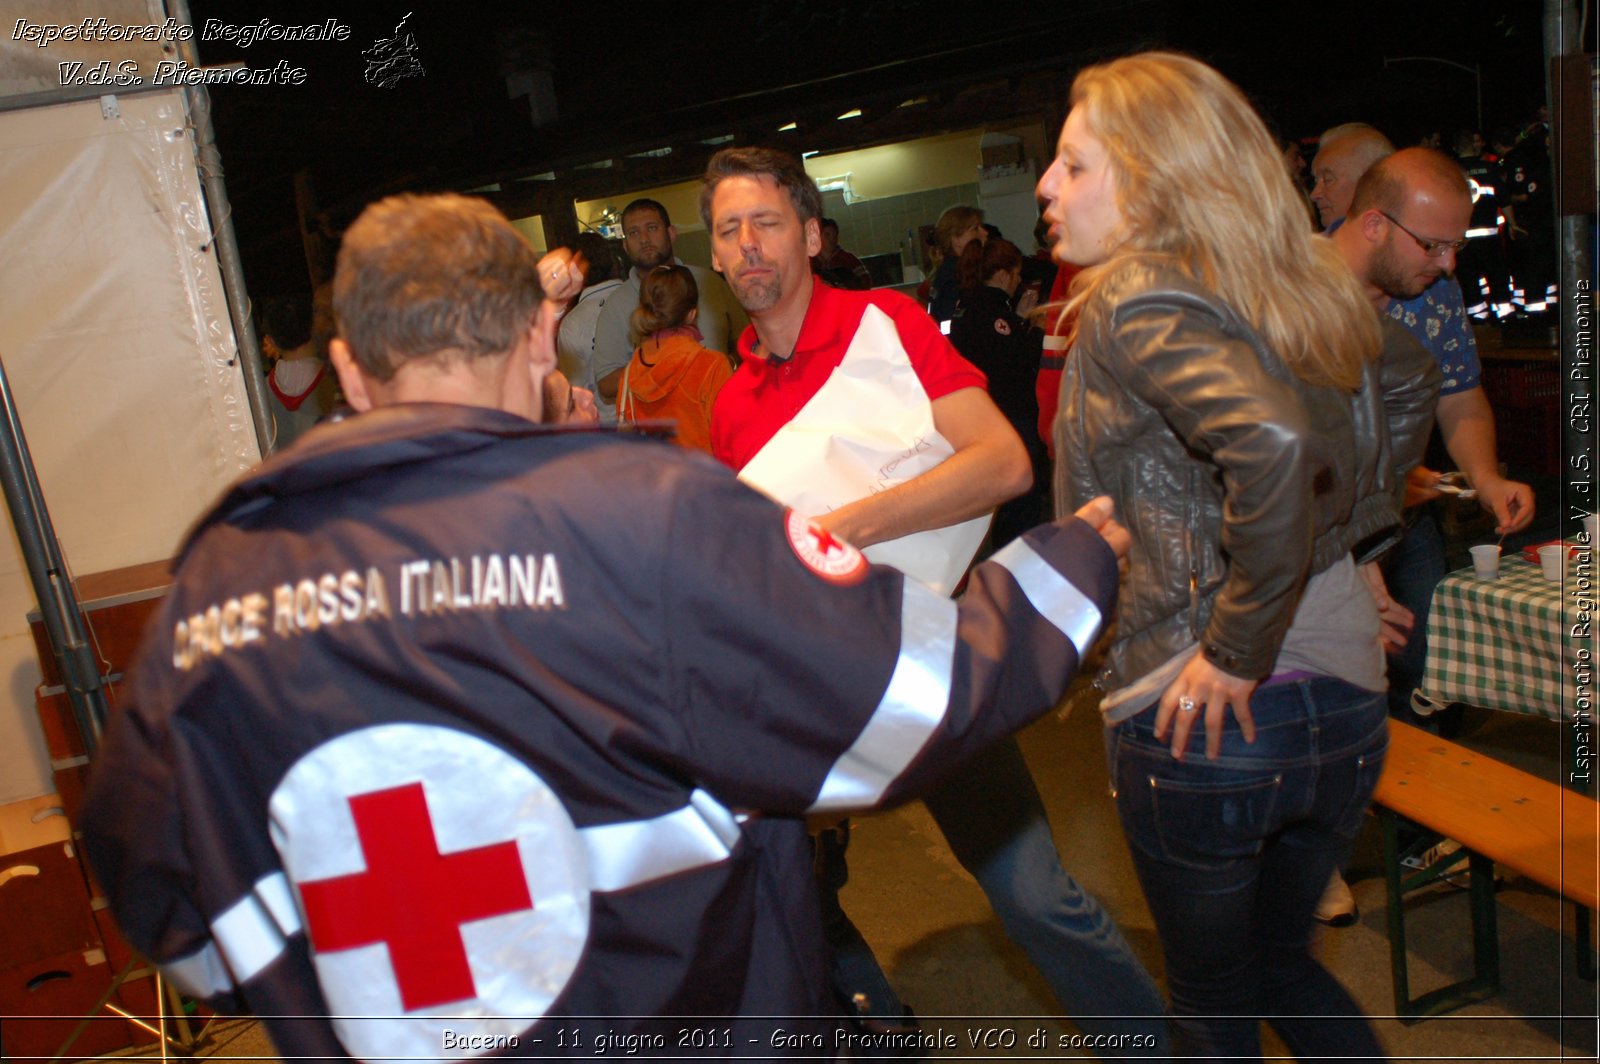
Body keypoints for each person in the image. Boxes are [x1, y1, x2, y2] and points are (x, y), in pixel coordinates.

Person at [78, 192, 1132, 1060]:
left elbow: (166, 905)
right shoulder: (646, 516)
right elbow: (908, 701)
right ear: (541, 337)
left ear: (350, 371)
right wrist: (1067, 566)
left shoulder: (211, 592)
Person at [703, 146, 1168, 1052]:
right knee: (793, 894)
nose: (749, 246)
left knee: (1034, 894)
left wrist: (847, 525)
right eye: (728, 231)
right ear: (714, 258)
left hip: (934, 660)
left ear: (809, 233)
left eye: (766, 223)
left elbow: (1002, 462)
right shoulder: (731, 400)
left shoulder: (887, 322)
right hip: (820, 686)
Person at [1043, 52, 1439, 1059]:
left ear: (1150, 175)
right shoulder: (1289, 282)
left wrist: (1235, 644)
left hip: (1205, 704)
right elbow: (1404, 376)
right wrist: (1359, 541)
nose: (1048, 186)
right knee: (1281, 968)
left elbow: (1273, 443)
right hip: (1344, 699)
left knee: (1212, 1006)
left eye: (1074, 164)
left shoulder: (1137, 298)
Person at [591, 198, 747, 416]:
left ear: (671, 233)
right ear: (625, 246)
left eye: (652, 228)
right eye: (634, 233)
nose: (644, 239)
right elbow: (606, 384)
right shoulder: (615, 306)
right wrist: (667, 368)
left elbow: (747, 343)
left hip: (726, 415)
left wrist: (719, 367)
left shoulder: (709, 283)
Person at [949, 238, 1048, 550]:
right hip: (1012, 417)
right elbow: (1016, 363)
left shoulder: (964, 307)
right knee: (1022, 507)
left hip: (981, 418)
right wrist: (1036, 329)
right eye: (1016, 274)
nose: (1018, 281)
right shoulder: (993, 313)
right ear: (1004, 275)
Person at [616, 264, 731, 454]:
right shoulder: (711, 367)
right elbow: (728, 443)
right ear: (692, 314)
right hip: (704, 481)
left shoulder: (629, 375)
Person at [554, 231, 625, 417]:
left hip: (606, 429)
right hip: (655, 418)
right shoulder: (642, 299)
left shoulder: (572, 323)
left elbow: (574, 395)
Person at [925, 204, 986, 325]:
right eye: (975, 229)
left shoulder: (949, 270)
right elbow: (948, 323)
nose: (984, 233)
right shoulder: (956, 275)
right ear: (956, 238)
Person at [811, 216, 873, 290]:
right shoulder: (811, 262)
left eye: (835, 235)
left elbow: (866, 282)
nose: (832, 239)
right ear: (818, 237)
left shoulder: (848, 259)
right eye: (827, 235)